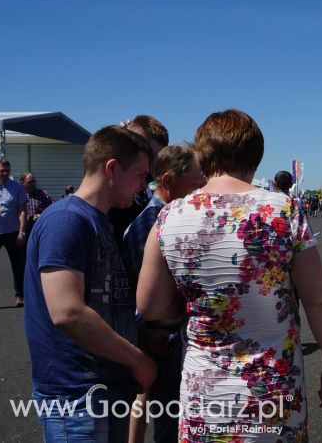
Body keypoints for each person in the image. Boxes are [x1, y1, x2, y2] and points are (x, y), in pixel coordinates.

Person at [136, 109, 322, 441]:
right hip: (272, 392)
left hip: (205, 392)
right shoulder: (282, 211)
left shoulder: (170, 216)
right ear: (256, 155)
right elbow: (318, 301)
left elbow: (149, 305)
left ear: (203, 155)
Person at [23, 125, 157, 443]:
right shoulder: (67, 220)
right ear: (111, 168)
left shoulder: (96, 220)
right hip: (77, 395)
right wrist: (138, 360)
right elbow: (67, 311)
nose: (143, 186)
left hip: (102, 388)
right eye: (140, 175)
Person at [122, 144, 206, 443]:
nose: (203, 193)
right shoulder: (151, 225)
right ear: (168, 181)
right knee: (169, 425)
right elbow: (153, 303)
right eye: (197, 185)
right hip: (160, 342)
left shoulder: (167, 218)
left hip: (167, 343)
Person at [109, 115, 169, 248]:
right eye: (150, 155)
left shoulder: (154, 182)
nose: (154, 165)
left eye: (160, 158)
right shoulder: (113, 192)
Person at [0, 159, 27, 306]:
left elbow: (23, 211)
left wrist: (22, 232)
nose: (5, 173)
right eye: (2, 171)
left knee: (17, 265)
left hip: (12, 232)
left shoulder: (17, 187)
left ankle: (19, 296)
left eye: (7, 170)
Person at [18, 172, 55, 305]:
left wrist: (42, 214)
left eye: (34, 181)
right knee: (21, 261)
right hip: (22, 230)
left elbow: (54, 207)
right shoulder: (18, 194)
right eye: (30, 181)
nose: (33, 183)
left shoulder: (43, 194)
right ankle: (22, 292)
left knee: (38, 259)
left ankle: (41, 290)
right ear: (22, 183)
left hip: (38, 230)